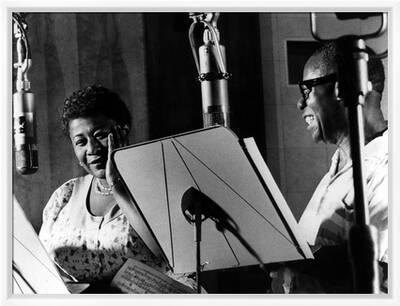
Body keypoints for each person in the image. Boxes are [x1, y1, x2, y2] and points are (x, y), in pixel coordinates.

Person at [39, 85, 195, 292]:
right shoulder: (64, 196)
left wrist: (117, 185)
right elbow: (41, 265)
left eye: (100, 135)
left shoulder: (160, 186)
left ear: (123, 131)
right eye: (80, 142)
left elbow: (172, 256)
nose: (92, 149)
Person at [270, 41, 388, 293]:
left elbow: (381, 275)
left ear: (340, 88)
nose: (300, 105)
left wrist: (293, 263)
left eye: (306, 90)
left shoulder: (386, 170)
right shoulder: (340, 165)